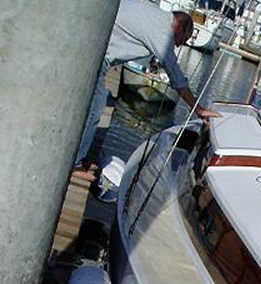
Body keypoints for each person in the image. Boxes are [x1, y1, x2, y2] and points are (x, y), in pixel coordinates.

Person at [73, 0, 220, 181]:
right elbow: (176, 77)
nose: (177, 46)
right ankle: (75, 164)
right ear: (180, 26)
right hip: (94, 54)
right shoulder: (163, 32)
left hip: (92, 46)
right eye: (181, 40)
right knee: (95, 109)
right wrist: (199, 109)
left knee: (93, 104)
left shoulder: (155, 15)